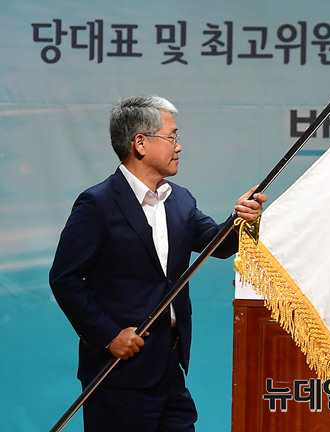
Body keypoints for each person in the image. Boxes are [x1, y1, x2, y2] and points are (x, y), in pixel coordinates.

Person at [50, 95, 267, 431]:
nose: (179, 146)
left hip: (170, 365)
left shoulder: (180, 200)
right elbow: (64, 279)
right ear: (140, 143)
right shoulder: (98, 203)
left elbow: (219, 245)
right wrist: (108, 336)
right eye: (172, 137)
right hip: (118, 371)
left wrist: (242, 220)